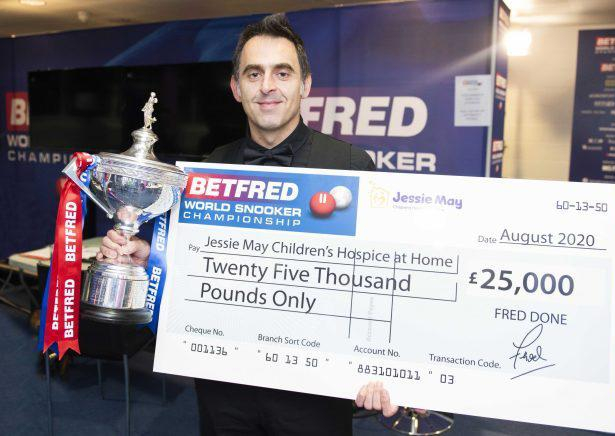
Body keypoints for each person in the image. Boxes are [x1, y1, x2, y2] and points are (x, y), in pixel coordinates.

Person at [98, 13, 400, 435]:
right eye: (254, 74)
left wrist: (387, 366)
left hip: (313, 390)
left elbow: (384, 280)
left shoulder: (351, 166)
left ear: (305, 85)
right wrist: (150, 257)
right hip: (225, 385)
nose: (268, 86)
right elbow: (195, 265)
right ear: (237, 88)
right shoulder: (209, 168)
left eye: (283, 73)